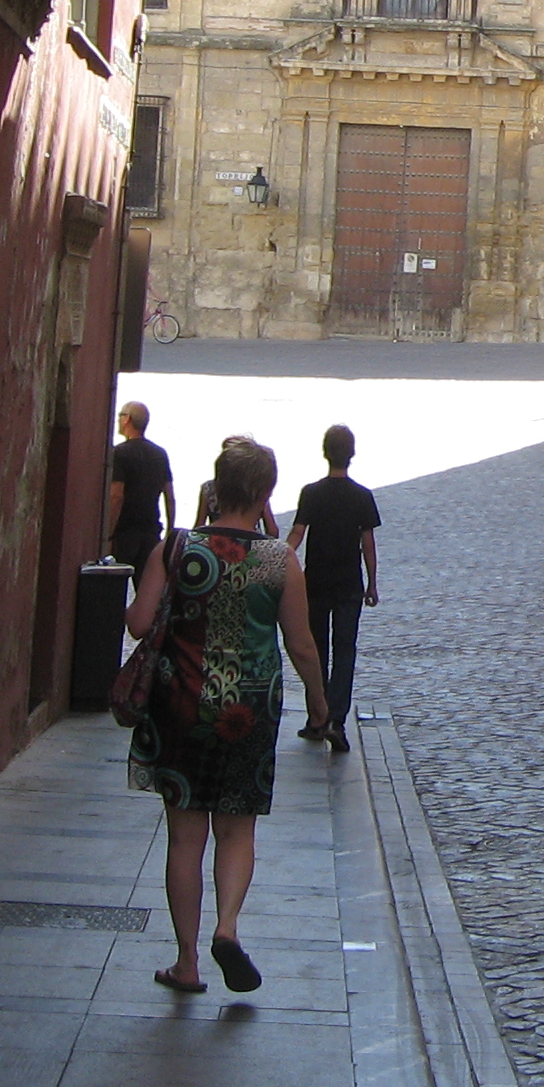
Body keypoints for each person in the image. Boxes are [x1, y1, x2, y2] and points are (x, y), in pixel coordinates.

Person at [124, 437, 329, 995]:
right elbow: (301, 644)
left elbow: (139, 624)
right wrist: (319, 704)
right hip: (250, 709)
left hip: (182, 705)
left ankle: (186, 962)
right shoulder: (279, 561)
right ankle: (228, 928)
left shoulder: (177, 548)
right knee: (237, 829)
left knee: (184, 838)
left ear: (216, 486)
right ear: (265, 493)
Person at [287, 424, 379, 755]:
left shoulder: (311, 493)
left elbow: (297, 533)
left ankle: (317, 717)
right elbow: (367, 542)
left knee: (316, 651)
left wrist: (280, 559)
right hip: (349, 583)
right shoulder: (362, 496)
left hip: (316, 583)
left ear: (325, 452)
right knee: (345, 651)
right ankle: (336, 721)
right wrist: (372, 582)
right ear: (351, 454)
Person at [105, 402, 176, 577]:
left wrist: (108, 535)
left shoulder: (119, 454)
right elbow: (169, 497)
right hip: (151, 533)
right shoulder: (160, 454)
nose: (118, 420)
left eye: (120, 415)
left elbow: (116, 496)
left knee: (118, 585)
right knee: (146, 586)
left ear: (127, 419)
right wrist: (170, 532)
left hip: (124, 534)